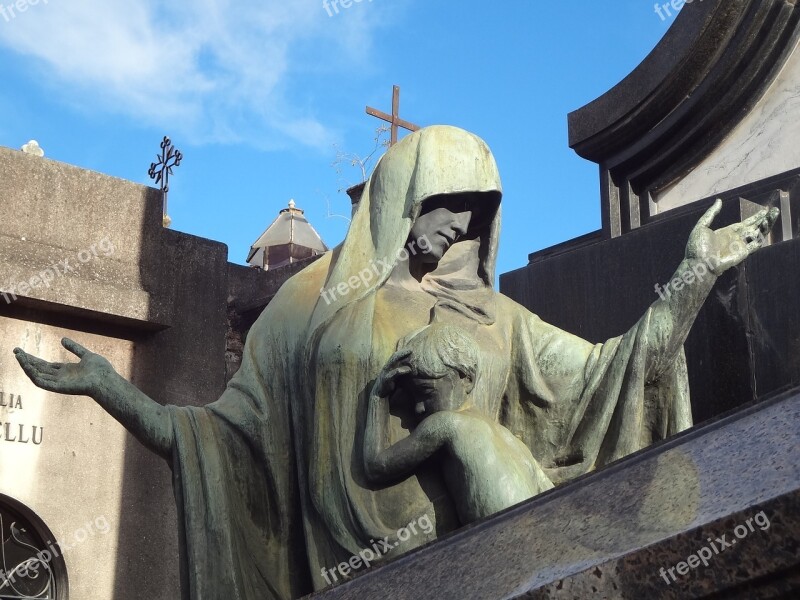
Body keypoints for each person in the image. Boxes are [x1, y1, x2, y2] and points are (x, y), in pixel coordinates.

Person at [12, 126, 779, 599]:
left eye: (475, 217)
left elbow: (610, 375)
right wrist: (115, 390)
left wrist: (692, 277)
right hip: (353, 570)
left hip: (485, 557)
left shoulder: (499, 316)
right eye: (442, 208)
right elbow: (224, 436)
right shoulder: (312, 307)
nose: (457, 228)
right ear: (402, 202)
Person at [363, 323, 554, 524]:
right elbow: (552, 496)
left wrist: (378, 397)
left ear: (467, 379)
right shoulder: (515, 443)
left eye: (426, 393)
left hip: (498, 539)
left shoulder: (447, 423)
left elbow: (376, 467)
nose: (418, 408)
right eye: (412, 397)